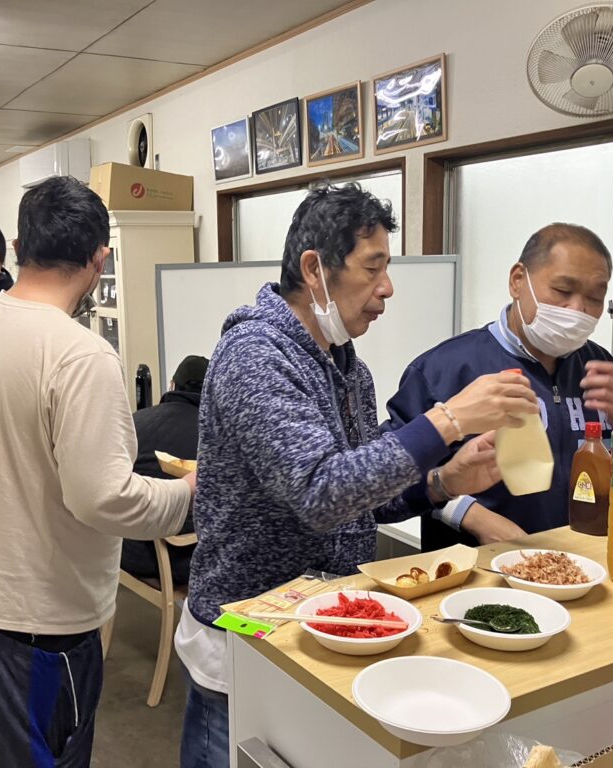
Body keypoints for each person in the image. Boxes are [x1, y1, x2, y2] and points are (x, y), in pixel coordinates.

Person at [176, 184, 538, 767]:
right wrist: (446, 420)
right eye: (373, 268)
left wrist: (444, 481)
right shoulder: (254, 355)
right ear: (314, 269)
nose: (387, 288)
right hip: (247, 634)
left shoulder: (348, 369)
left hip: (325, 625)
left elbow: (360, 497)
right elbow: (321, 492)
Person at [0, 176, 195, 768]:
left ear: (17, 247)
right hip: (43, 621)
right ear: (99, 258)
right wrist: (185, 492)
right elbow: (105, 498)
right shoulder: (82, 354)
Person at [386, 223, 613, 551]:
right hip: (477, 567)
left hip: (585, 560)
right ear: (518, 281)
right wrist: (469, 515)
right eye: (562, 290)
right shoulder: (444, 368)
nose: (578, 310)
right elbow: (390, 479)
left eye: (595, 297)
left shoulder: (602, 370)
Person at [120, 354, 209, 585]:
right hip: (191, 557)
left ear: (172, 385)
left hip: (133, 550)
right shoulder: (215, 434)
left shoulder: (135, 422)